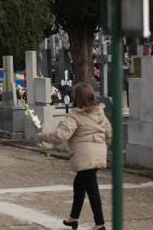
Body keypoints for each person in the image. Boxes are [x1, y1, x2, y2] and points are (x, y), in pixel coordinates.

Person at [36, 82, 112, 230]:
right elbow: (109, 132)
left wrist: (43, 136)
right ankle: (73, 218)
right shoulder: (99, 112)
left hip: (85, 155)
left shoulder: (75, 116)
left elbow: (60, 135)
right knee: (79, 184)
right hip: (98, 151)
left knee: (91, 189)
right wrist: (103, 145)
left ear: (76, 98)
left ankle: (100, 223)